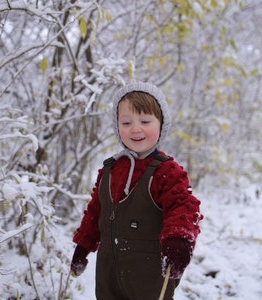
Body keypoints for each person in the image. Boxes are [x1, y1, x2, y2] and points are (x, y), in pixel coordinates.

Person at [71, 82, 203, 300]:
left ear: (161, 125)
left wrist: (179, 240)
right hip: (108, 274)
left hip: (149, 278)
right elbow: (95, 212)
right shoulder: (109, 170)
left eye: (145, 121)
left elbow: (184, 207)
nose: (135, 128)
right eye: (126, 122)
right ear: (117, 127)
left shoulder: (167, 171)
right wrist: (83, 246)